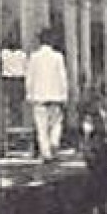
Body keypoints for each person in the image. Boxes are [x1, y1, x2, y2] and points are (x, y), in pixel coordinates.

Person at [26, 27, 69, 162]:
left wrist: (29, 93)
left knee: (41, 127)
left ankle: (46, 153)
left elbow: (30, 77)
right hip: (55, 95)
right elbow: (62, 77)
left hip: (39, 96)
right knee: (56, 123)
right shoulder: (58, 57)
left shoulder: (34, 57)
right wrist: (64, 94)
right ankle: (54, 142)